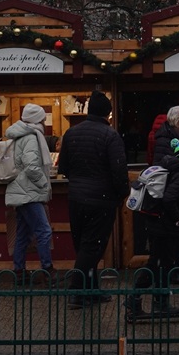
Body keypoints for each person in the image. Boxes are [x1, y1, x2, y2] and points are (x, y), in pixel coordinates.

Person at [57, 91, 130, 307]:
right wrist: (121, 194)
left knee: (84, 247)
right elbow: (118, 171)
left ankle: (91, 290)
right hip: (102, 199)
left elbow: (64, 168)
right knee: (93, 247)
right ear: (107, 113)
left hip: (76, 197)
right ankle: (77, 291)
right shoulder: (110, 136)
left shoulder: (71, 133)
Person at [127, 138, 179, 319]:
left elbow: (176, 198)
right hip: (164, 226)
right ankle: (137, 300)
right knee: (157, 265)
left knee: (160, 265)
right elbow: (170, 199)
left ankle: (153, 302)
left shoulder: (173, 169)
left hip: (157, 224)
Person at [4, 103, 56, 282]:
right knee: (44, 231)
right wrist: (43, 183)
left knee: (23, 234)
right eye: (43, 117)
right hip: (28, 192)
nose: (45, 120)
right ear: (37, 119)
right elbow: (32, 166)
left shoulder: (21, 135)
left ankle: (19, 272)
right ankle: (48, 270)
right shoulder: (32, 138)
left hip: (21, 190)